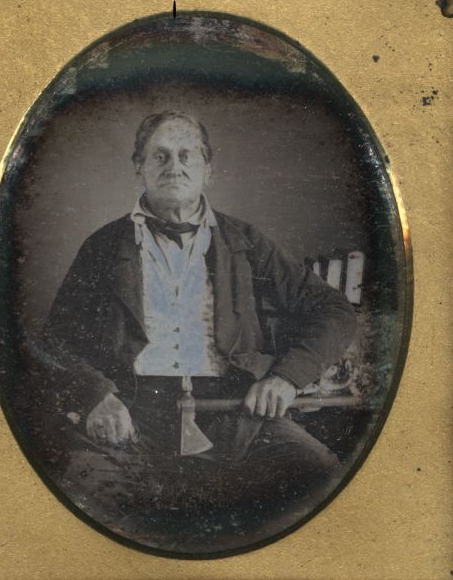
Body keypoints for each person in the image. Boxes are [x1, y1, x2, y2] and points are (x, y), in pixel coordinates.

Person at [39, 111, 357, 542]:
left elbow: (334, 309)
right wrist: (96, 396)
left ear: (208, 168)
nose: (175, 166)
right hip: (133, 417)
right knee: (85, 506)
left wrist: (286, 378)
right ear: (139, 166)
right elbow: (55, 341)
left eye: (187, 155)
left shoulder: (245, 241)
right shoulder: (102, 245)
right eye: (161, 156)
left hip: (234, 412)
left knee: (324, 481)